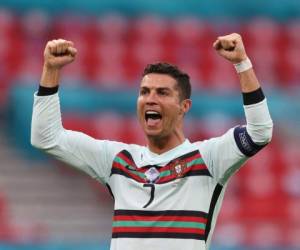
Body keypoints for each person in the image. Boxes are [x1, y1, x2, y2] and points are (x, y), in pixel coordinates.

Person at [31, 33, 273, 250]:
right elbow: (45, 137)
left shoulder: (208, 158)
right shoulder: (118, 160)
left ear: (184, 107)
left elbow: (260, 131)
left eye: (162, 93)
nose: (150, 99)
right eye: (144, 92)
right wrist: (51, 70)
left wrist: (242, 63)